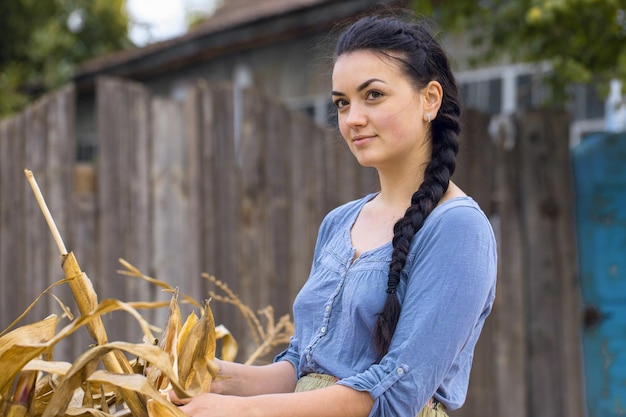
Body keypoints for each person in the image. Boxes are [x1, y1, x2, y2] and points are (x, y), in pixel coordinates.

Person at [172, 10, 497, 417]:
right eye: (342, 103)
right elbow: (302, 369)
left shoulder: (458, 228)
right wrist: (206, 375)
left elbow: (397, 396)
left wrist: (239, 412)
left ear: (429, 99)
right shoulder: (339, 223)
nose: (352, 119)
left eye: (373, 95)